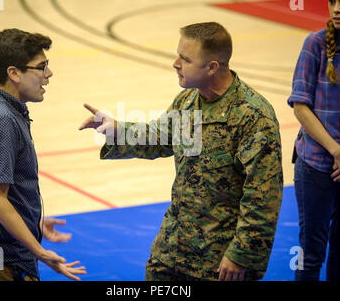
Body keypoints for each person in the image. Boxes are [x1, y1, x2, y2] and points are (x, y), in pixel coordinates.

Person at [80, 22, 283, 281]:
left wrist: (241, 255)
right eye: (178, 55)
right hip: (173, 250)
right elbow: (159, 137)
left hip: (219, 260)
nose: (175, 63)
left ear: (212, 67)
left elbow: (263, 198)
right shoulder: (188, 101)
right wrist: (118, 130)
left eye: (185, 59)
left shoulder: (253, 117)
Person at [0, 29, 86, 281]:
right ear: (14, 73)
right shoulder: (0, 119)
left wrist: (31, 221)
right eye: (41, 67)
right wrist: (39, 251)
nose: (48, 74)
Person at [288, 0, 340, 281]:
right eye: (331, 1)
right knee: (310, 252)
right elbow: (300, 106)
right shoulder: (314, 44)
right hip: (316, 164)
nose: (336, 9)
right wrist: (338, 153)